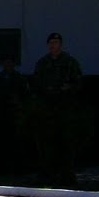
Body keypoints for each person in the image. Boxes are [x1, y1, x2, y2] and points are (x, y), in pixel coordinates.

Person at [33, 32, 85, 187]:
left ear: (60, 44)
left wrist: (66, 89)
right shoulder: (43, 63)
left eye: (56, 42)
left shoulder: (69, 62)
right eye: (51, 43)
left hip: (65, 110)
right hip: (48, 110)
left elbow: (78, 83)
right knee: (47, 144)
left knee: (66, 144)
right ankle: (47, 175)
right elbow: (36, 84)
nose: (53, 45)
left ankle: (67, 176)